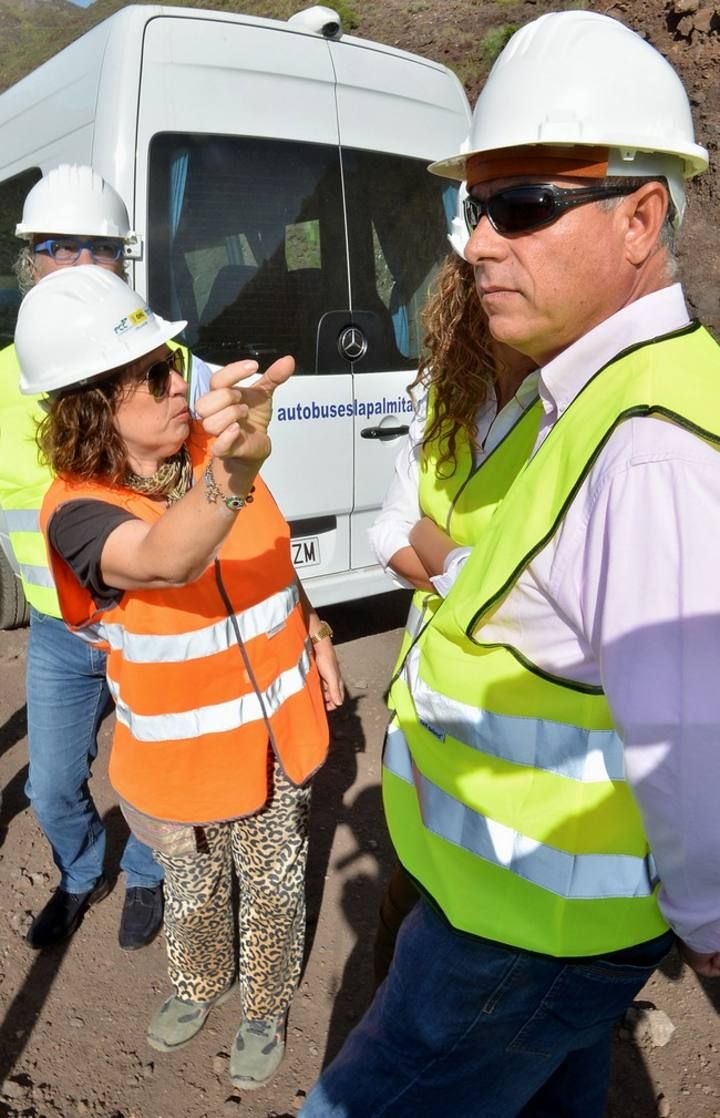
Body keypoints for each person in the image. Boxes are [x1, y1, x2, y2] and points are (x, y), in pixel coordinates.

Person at [301, 11, 720, 1117]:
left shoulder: (649, 449)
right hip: (513, 913)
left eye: (522, 205)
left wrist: (713, 933)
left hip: (520, 944)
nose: (476, 240)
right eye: (471, 205)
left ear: (642, 219)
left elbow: (698, 739)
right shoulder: (574, 395)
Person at [16, 264, 344, 1089]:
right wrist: (231, 474)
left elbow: (270, 553)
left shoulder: (212, 447)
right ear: (96, 403)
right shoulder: (77, 510)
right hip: (177, 758)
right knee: (194, 885)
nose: (178, 381)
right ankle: (198, 987)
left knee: (272, 886)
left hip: (275, 732)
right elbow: (164, 559)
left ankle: (265, 1007)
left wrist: (318, 628)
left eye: (173, 361)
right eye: (155, 373)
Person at [0, 164, 212, 950]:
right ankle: (82, 871)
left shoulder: (161, 367)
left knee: (149, 776)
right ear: (32, 261)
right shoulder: (5, 382)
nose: (83, 265)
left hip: (149, 622)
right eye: (62, 247)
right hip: (61, 632)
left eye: (101, 249)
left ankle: (150, 879)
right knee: (53, 786)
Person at [369, 247, 539, 985]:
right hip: (426, 697)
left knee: (498, 931)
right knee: (407, 890)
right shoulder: (448, 391)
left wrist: (439, 556)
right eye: (478, 278)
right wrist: (465, 570)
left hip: (518, 728)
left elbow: (540, 603)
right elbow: (388, 530)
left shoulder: (578, 405)